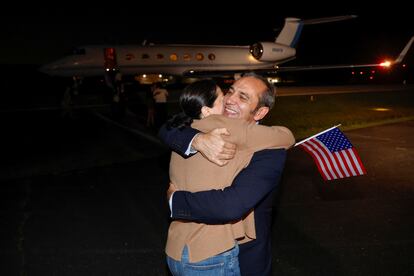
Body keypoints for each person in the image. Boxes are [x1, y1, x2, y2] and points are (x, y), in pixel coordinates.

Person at [159, 73, 293, 275]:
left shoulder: (270, 152)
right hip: (203, 253)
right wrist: (197, 140)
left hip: (244, 257)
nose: (230, 99)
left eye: (243, 97)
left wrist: (175, 202)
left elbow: (230, 205)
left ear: (260, 112)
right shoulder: (195, 131)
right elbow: (167, 127)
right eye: (230, 91)